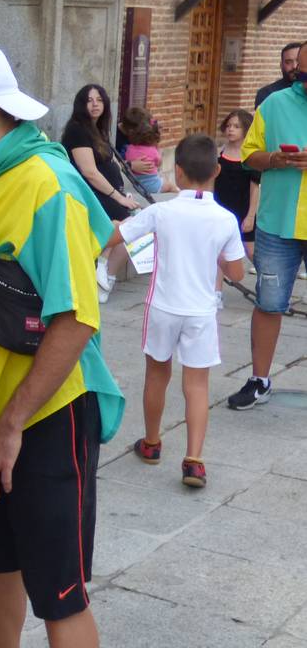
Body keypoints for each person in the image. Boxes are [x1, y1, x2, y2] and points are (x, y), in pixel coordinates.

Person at [0, 38, 123, 648]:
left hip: (45, 416)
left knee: (61, 594)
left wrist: (10, 428)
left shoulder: (45, 185)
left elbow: (76, 321)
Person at [114, 135, 245, 489]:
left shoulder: (161, 211)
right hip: (201, 312)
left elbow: (118, 236)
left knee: (157, 374)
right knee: (197, 384)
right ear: (217, 171)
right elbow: (236, 273)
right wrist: (217, 258)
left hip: (162, 306)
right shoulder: (225, 219)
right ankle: (194, 461)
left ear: (179, 172)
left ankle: (152, 443)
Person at [227, 45, 307, 410]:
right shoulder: (274, 104)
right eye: (299, 75)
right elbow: (248, 155)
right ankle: (259, 380)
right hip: (277, 222)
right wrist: (276, 158)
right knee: (269, 302)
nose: (301, 81)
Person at [62, 84, 137, 305]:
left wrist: (123, 194)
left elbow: (110, 165)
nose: (95, 104)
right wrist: (118, 197)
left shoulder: (99, 131)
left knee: (135, 226)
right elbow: (90, 172)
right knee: (125, 223)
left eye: (99, 100)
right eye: (89, 100)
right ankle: (103, 265)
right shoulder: (77, 130)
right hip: (88, 194)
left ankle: (106, 278)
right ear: (81, 105)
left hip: (106, 194)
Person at [213, 109, 260, 267]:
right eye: (228, 126)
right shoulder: (218, 154)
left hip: (242, 209)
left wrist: (250, 216)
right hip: (221, 209)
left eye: (236, 126)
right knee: (219, 252)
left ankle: (267, 279)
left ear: (246, 129)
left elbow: (254, 187)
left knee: (250, 250)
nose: (231, 129)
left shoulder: (249, 157)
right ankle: (218, 284)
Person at [122, 120, 170, 195]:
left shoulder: (129, 148)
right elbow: (159, 163)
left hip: (135, 184)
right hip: (152, 185)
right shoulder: (152, 151)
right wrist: (158, 150)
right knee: (170, 186)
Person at [254, 42, 300, 108]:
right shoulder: (267, 94)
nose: (294, 66)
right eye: (288, 62)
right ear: (281, 65)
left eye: (298, 60)